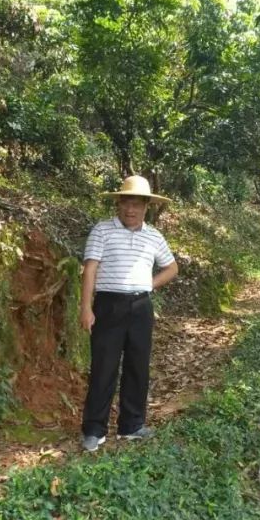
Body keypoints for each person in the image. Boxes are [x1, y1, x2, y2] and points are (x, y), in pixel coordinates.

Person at [79, 175, 179, 453]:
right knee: (103, 366)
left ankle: (131, 425)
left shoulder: (154, 236)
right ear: (118, 204)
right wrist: (86, 307)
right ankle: (93, 429)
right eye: (125, 203)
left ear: (147, 206)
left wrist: (150, 285)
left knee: (138, 365)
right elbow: (90, 270)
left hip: (141, 307)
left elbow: (172, 268)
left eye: (136, 204)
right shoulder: (102, 231)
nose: (130, 209)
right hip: (108, 305)